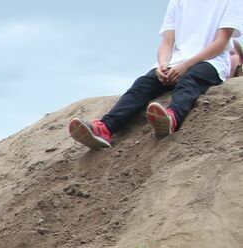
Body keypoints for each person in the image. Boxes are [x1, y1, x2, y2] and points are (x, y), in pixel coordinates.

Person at [69, 1, 242, 149]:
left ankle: (172, 118)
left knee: (191, 81)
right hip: (177, 61)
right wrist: (163, 64)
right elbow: (167, 42)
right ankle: (105, 128)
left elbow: (221, 43)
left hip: (212, 62)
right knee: (143, 84)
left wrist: (186, 65)